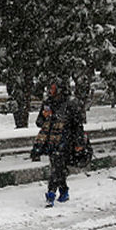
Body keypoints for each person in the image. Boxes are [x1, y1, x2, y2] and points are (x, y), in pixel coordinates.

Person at [31, 79, 84, 207]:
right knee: (57, 166)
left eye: (53, 88)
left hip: (66, 140)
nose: (51, 90)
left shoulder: (70, 103)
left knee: (57, 165)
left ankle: (51, 193)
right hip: (51, 140)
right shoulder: (48, 102)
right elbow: (39, 122)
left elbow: (77, 125)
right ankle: (64, 191)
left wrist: (78, 141)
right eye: (51, 88)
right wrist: (45, 116)